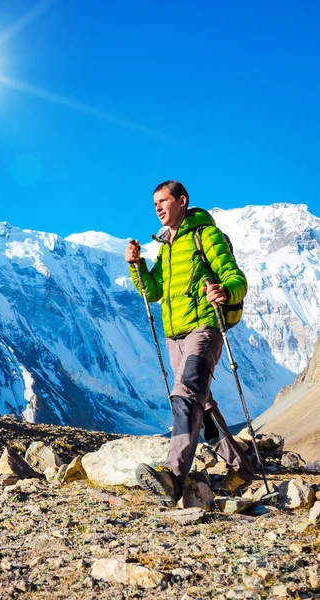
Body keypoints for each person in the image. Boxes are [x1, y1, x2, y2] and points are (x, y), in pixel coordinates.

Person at [125, 180, 253, 507]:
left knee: (185, 393)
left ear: (182, 201)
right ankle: (241, 467)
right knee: (203, 405)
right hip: (174, 336)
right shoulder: (165, 246)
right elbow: (152, 292)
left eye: (163, 201)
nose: (157, 207)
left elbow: (236, 278)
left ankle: (172, 475)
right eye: (154, 202)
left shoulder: (205, 235)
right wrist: (137, 265)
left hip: (203, 328)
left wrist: (225, 292)